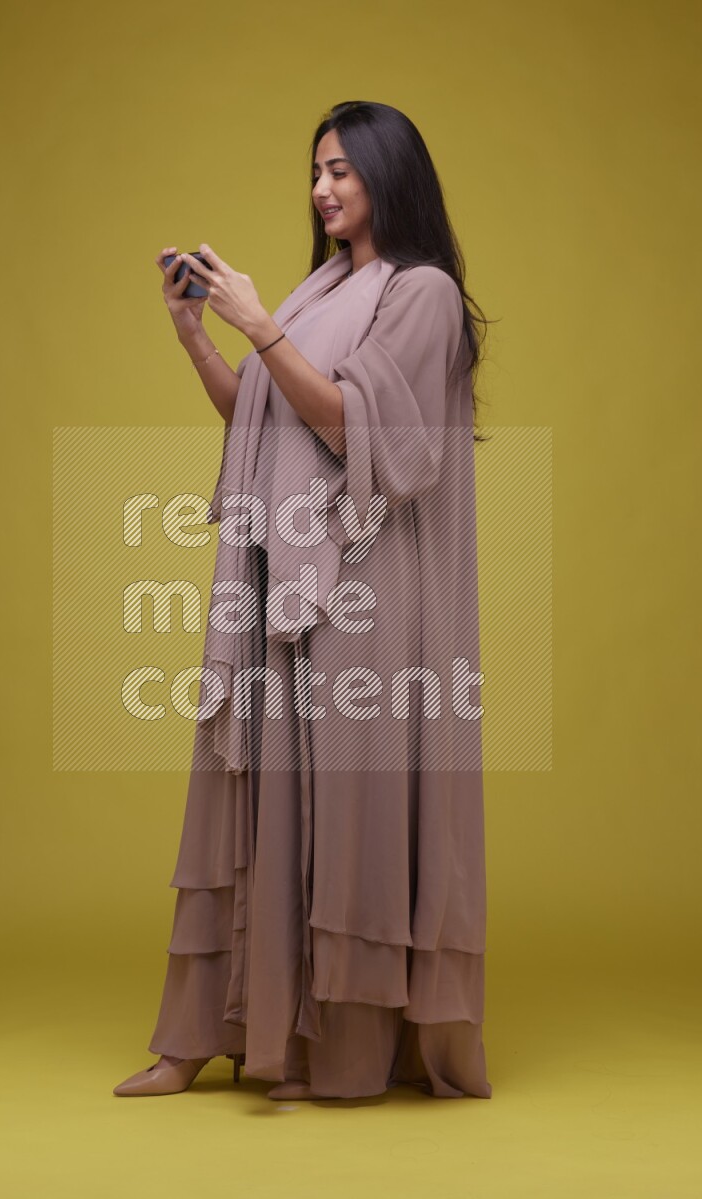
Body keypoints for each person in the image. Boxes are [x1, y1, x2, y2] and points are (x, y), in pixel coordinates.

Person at [114, 100, 493, 1101]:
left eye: (341, 170)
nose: (322, 188)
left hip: (363, 588)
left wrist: (260, 324)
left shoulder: (421, 293)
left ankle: (338, 1049)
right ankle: (216, 1034)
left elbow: (355, 433)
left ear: (388, 174)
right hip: (281, 578)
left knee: (347, 804)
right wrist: (198, 335)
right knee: (255, 792)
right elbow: (262, 419)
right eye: (316, 170)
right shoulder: (323, 285)